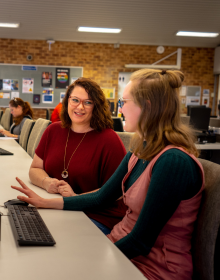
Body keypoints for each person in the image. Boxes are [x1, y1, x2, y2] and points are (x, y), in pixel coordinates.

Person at [12, 69, 204, 280]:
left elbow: (140, 241)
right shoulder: (140, 148)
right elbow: (103, 195)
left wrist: (92, 261)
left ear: (146, 106)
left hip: (151, 267)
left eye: (124, 102)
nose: (119, 108)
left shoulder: (173, 162)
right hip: (119, 247)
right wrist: (44, 202)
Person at [29, 77, 127, 231]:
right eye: (75, 100)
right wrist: (46, 182)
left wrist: (76, 198)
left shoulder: (109, 140)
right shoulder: (53, 130)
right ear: (67, 101)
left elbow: (116, 192)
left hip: (96, 215)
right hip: (58, 206)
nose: (80, 107)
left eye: (88, 102)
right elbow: (35, 169)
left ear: (96, 107)